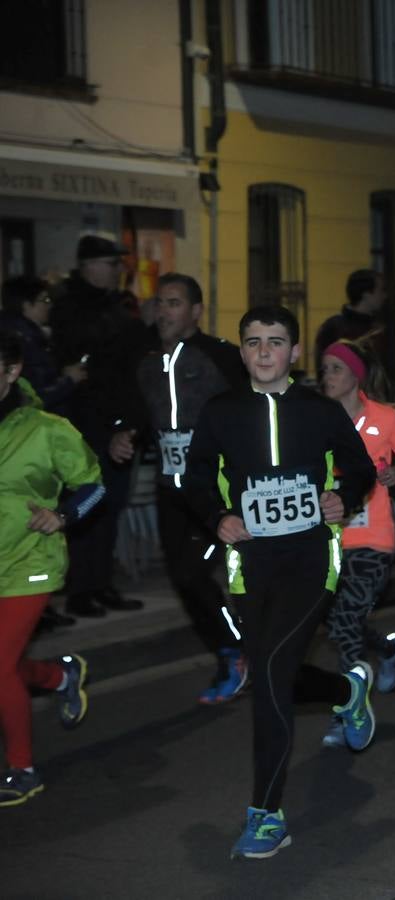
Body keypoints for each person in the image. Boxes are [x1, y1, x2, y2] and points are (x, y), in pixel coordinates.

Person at [183, 305, 377, 859]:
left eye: (275, 342)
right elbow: (195, 478)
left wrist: (347, 495)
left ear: (294, 352)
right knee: (277, 674)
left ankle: (266, 815)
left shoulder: (318, 410)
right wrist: (216, 517)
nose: (263, 351)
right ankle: (347, 690)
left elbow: (358, 466)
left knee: (268, 671)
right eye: (252, 342)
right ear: (241, 351)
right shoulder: (221, 412)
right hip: (251, 565)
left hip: (314, 561)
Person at [121, 273, 250, 704]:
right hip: (169, 488)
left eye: (174, 303)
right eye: (159, 303)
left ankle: (235, 651)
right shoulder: (146, 364)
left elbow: (250, 407)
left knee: (195, 574)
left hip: (215, 490)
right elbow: (140, 414)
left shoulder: (222, 358)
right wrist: (126, 434)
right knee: (184, 579)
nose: (163, 312)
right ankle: (233, 647)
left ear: (195, 312)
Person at [0, 329, 102, 806]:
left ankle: (22, 770)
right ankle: (61, 677)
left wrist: (61, 515)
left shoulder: (46, 428)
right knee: (9, 664)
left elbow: (94, 486)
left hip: (31, 561)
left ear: (12, 371)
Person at [318, 339, 395, 733]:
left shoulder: (384, 418)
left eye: (336, 369)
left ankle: (347, 708)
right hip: (329, 538)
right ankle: (391, 650)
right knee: (340, 620)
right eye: (324, 368)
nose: (328, 376)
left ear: (355, 376)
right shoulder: (319, 420)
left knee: (344, 621)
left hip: (374, 538)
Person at [49, 235, 151, 617]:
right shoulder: (70, 308)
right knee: (87, 504)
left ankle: (101, 583)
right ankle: (80, 588)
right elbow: (87, 363)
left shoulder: (115, 306)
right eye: (111, 264)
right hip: (86, 423)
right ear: (89, 265)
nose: (117, 271)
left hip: (119, 422)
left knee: (111, 505)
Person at [0, 276, 84, 414]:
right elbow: (34, 395)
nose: (49, 305)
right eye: (44, 300)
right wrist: (69, 380)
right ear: (26, 305)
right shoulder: (23, 341)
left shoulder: (27, 335)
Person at [313, 269, 386, 374]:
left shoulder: (378, 328)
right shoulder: (333, 328)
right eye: (381, 290)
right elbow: (323, 369)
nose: (384, 296)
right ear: (366, 294)